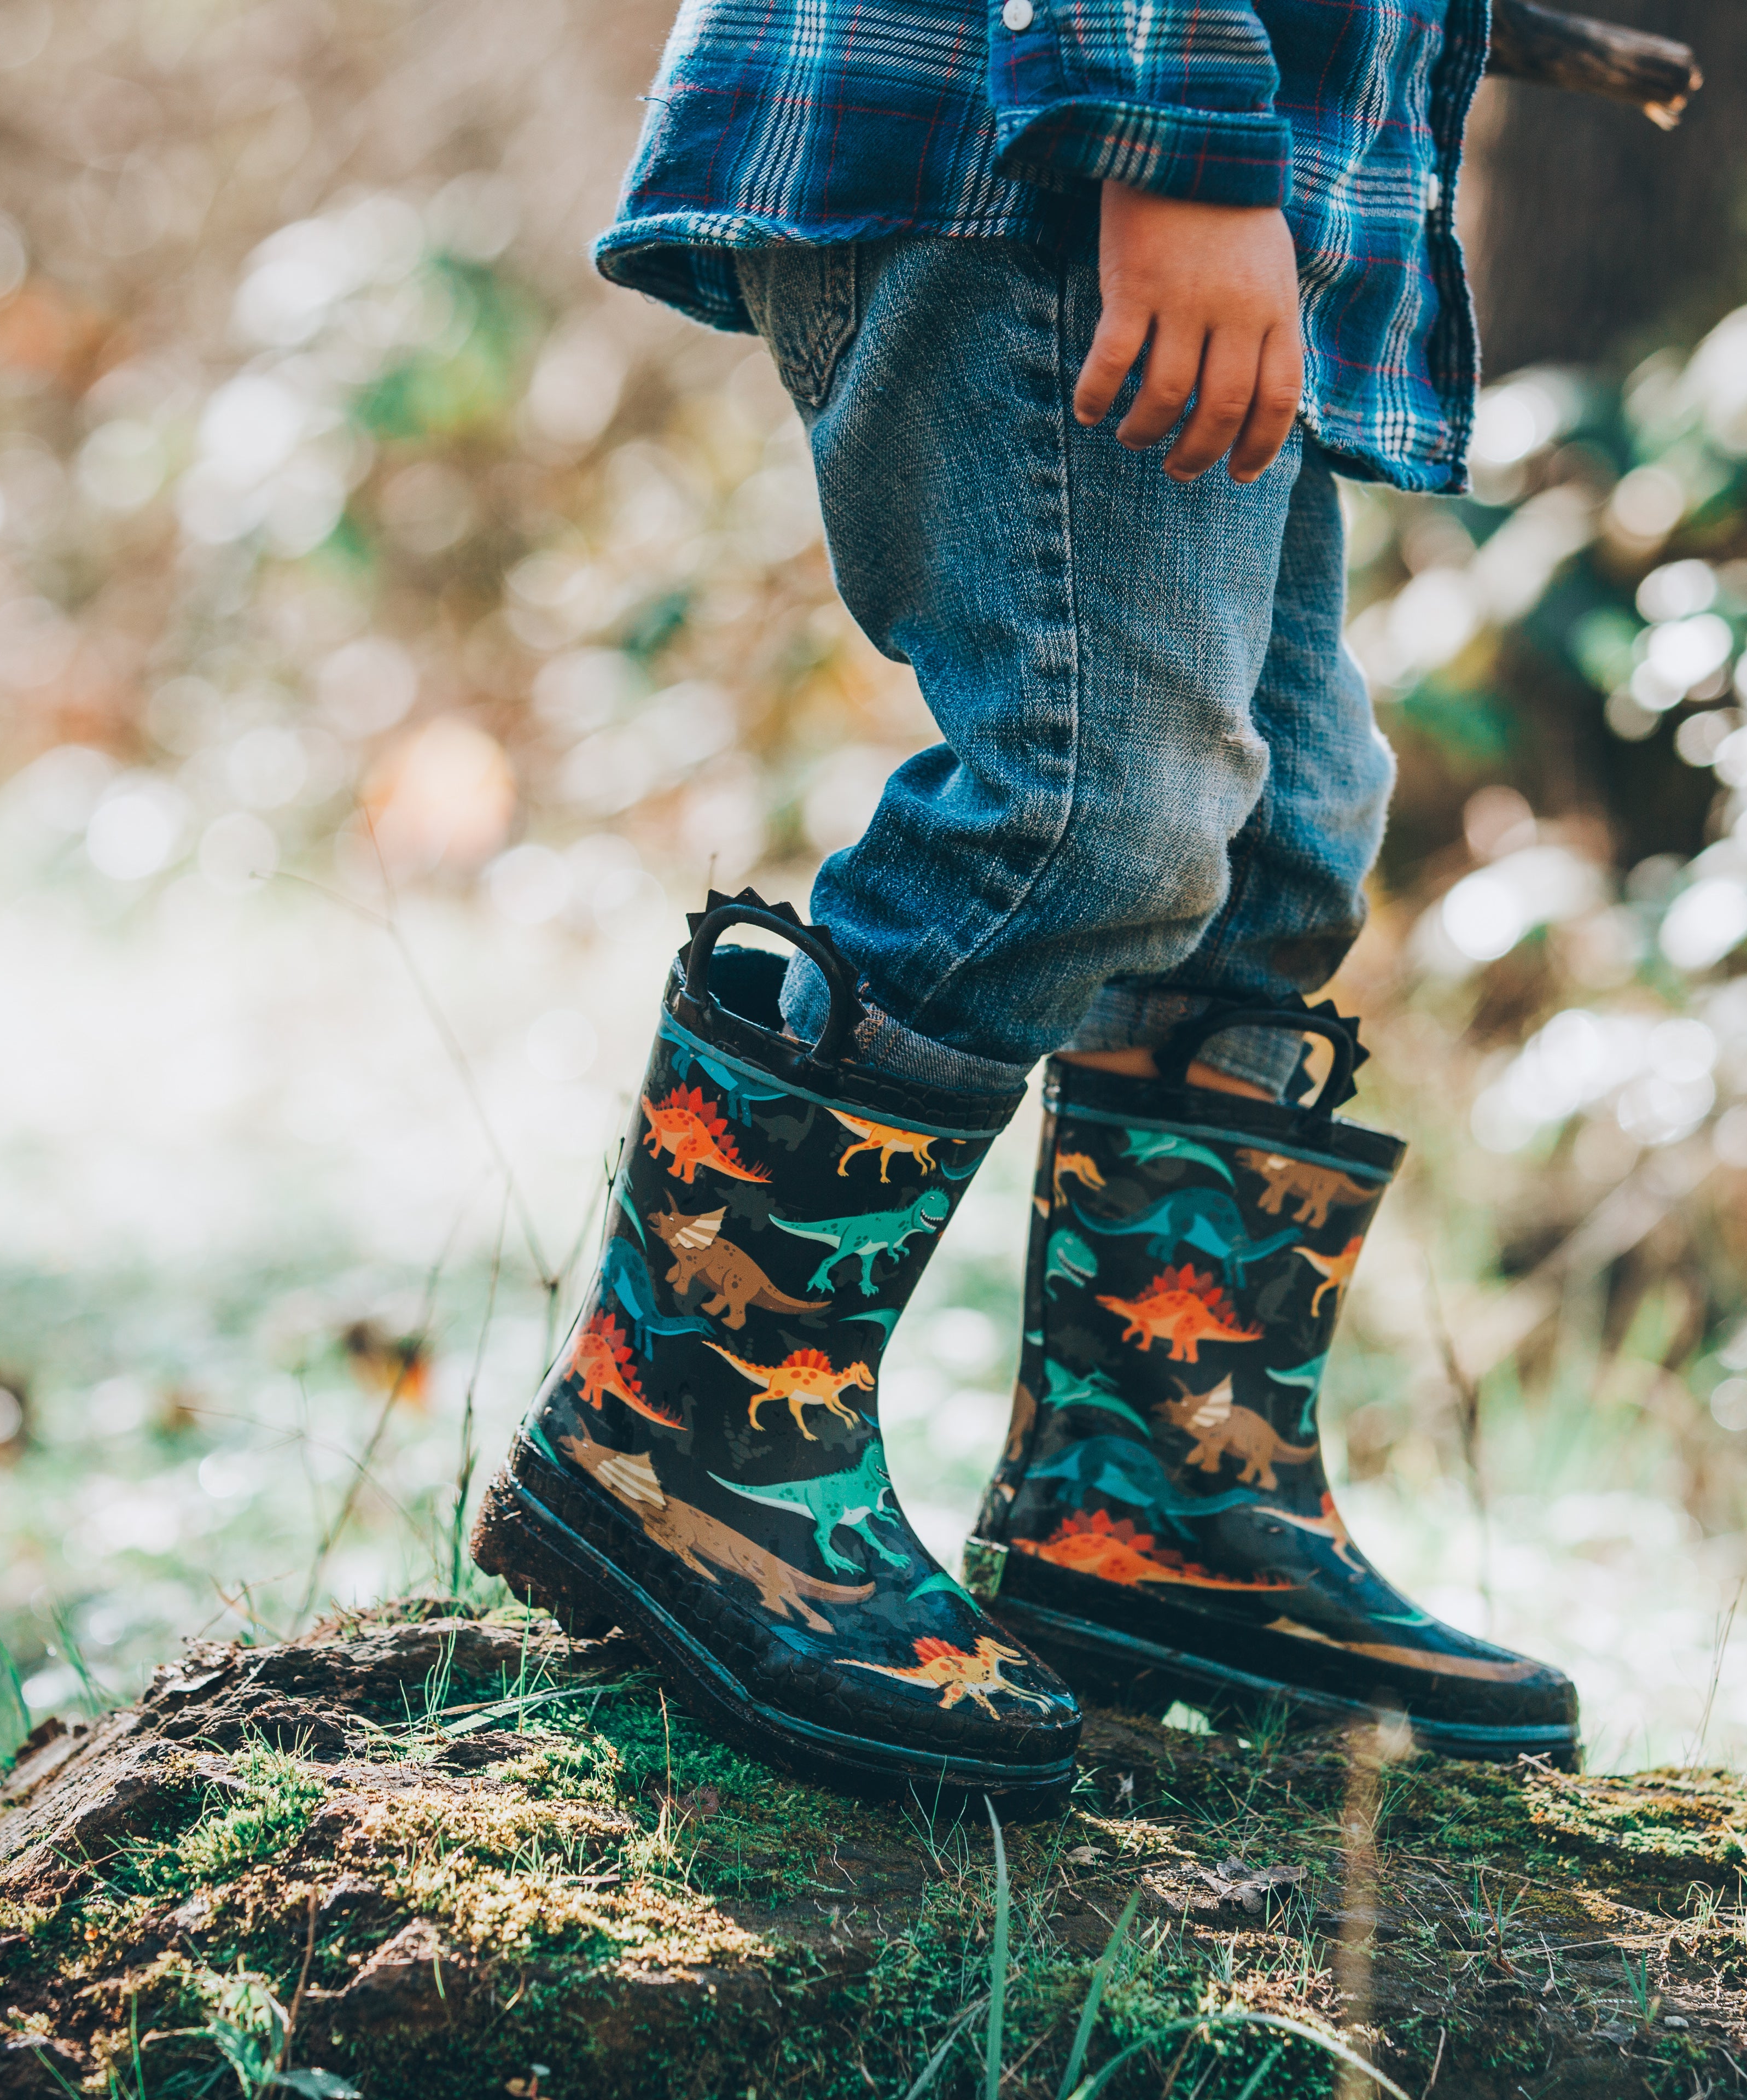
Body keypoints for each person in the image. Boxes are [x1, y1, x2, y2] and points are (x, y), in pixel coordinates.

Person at [469, 0, 1577, 1813]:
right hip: (1050, 154)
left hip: (1230, 187)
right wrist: (1168, 137)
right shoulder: (1152, 144)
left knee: (1282, 840)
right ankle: (670, 1442)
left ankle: (1153, 1514)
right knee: (1091, 809)